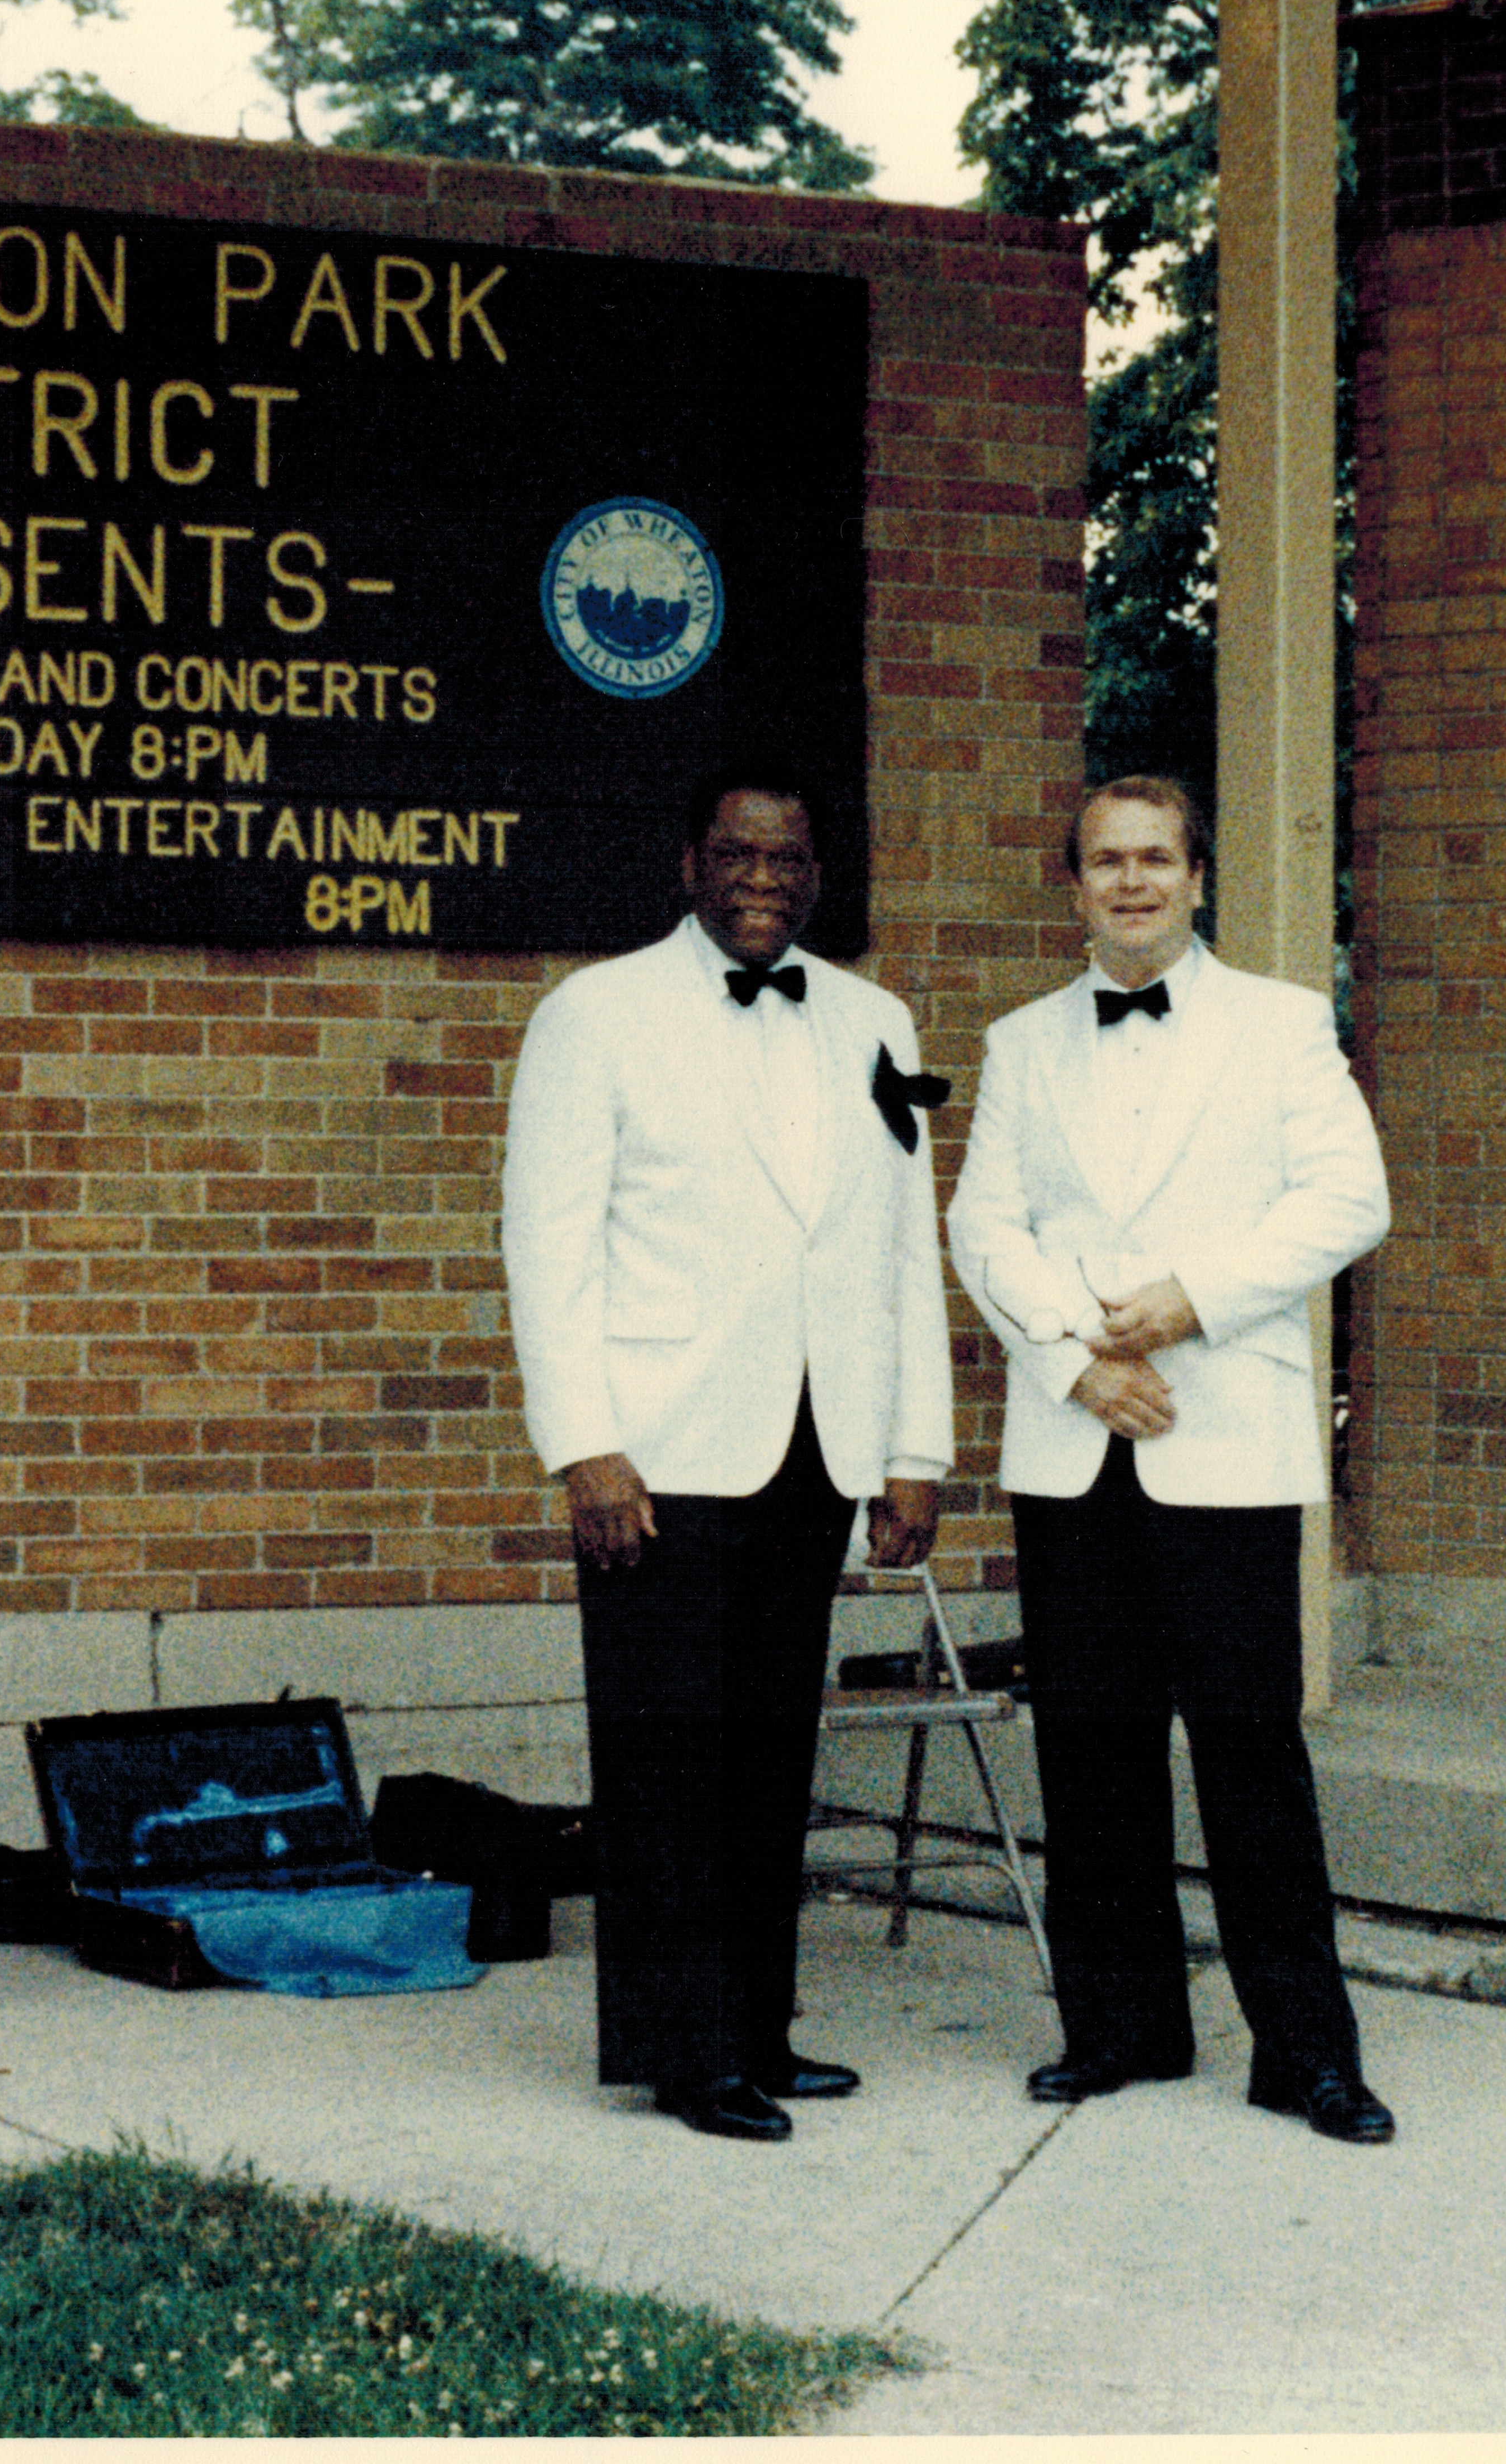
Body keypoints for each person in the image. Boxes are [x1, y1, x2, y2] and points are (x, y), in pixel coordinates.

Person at [501, 763, 954, 2143]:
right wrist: (585, 1447)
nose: (766, 881)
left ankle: (760, 2028)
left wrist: (914, 1448)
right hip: (662, 1450)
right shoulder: (596, 1015)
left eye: (791, 860)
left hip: (820, 1447)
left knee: (769, 1756)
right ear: (688, 861)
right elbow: (547, 1240)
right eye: (739, 856)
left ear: (822, 874)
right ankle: (680, 2051)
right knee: (664, 1760)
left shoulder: (874, 1020)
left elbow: (898, 1250)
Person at [946, 774, 1397, 2144]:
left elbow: (1349, 1197)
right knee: (1092, 1750)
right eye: (1104, 862)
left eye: (1155, 859)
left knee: (1250, 1752)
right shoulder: (1023, 1041)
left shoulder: (1279, 1024)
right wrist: (1079, 1360)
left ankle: (1305, 2054)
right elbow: (985, 1225)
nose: (1130, 882)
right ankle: (1122, 2030)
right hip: (1077, 1439)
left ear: (1198, 877)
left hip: (1228, 1445)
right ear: (1073, 885)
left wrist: (1196, 1297)